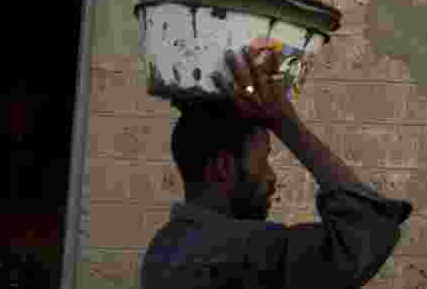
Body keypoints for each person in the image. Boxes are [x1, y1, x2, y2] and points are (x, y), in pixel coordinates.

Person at [141, 44, 412, 289]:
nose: (272, 178)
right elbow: (367, 229)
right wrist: (284, 122)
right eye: (262, 160)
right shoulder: (233, 253)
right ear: (223, 168)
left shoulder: (165, 248)